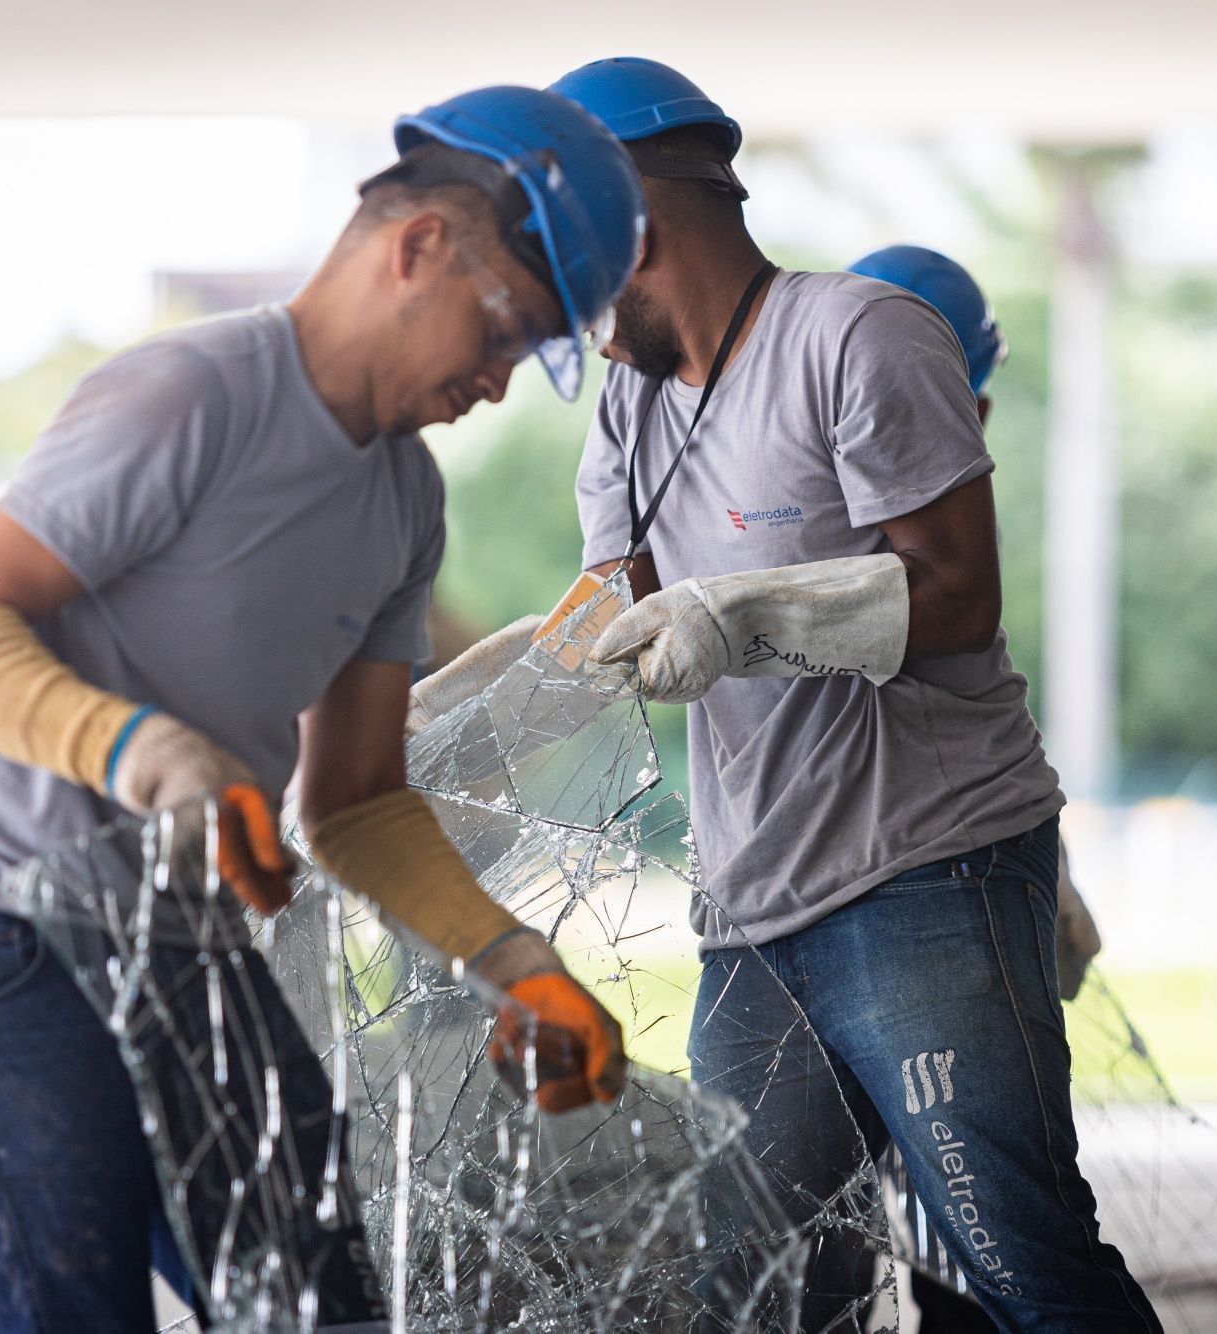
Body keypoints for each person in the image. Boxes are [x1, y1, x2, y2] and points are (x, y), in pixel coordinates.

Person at [0, 86, 646, 1334]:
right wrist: (151, 752)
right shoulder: (190, 395)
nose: (496, 385)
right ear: (416, 248)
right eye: (501, 332)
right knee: (82, 1302)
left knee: (322, 1300)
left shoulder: (404, 501)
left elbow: (356, 803)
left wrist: (516, 961)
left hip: (175, 919)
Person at [419, 61, 1159, 1331]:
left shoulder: (855, 336)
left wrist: (745, 612)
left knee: (1020, 1261)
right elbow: (616, 612)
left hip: (929, 872)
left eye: (571, 252)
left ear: (633, 219)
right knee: (761, 1289)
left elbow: (956, 592)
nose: (565, 301)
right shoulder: (630, 402)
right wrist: (444, 724)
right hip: (752, 911)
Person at [848, 244, 1105, 1004]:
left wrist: (1048, 861)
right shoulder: (950, 542)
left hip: (928, 870)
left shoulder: (950, 567)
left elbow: (965, 708)